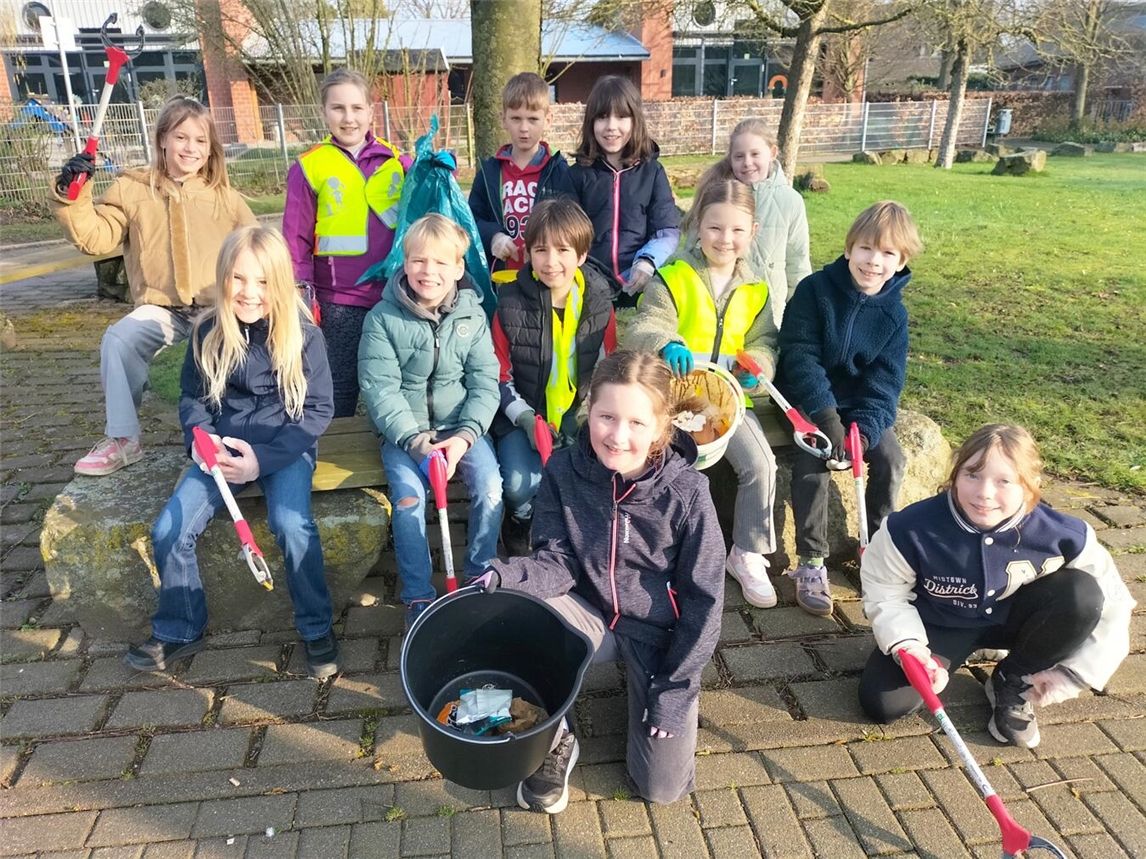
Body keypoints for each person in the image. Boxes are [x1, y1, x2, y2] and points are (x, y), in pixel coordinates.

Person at [480, 350, 725, 812]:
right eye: (606, 416)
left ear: (661, 427)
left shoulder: (689, 494)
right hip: (587, 609)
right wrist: (506, 574)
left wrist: (673, 693)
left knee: (660, 789)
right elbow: (556, 562)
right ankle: (556, 734)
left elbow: (705, 603)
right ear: (588, 409)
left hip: (655, 631)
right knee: (527, 613)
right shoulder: (563, 470)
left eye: (636, 422)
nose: (616, 436)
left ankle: (655, 692)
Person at [125, 226, 341, 679]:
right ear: (223, 277)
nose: (249, 292)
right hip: (219, 451)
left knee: (292, 525)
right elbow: (192, 398)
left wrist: (263, 461)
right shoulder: (207, 331)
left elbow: (318, 410)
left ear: (280, 282)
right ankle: (181, 627)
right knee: (169, 529)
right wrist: (201, 440)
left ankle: (316, 626)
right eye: (239, 279)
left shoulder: (303, 335)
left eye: (262, 281)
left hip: (282, 448)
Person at [858, 424, 1134, 748]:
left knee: (1083, 593)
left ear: (1030, 484)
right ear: (956, 474)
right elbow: (885, 592)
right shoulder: (908, 528)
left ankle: (1012, 679)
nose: (984, 493)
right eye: (972, 475)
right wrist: (910, 648)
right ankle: (954, 651)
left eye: (1004, 481)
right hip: (941, 623)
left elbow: (1114, 604)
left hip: (1017, 621)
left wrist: (1077, 673)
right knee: (883, 704)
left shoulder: (1067, 533)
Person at [52, 95, 257, 476]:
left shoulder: (225, 199)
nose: (190, 148)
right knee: (119, 340)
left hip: (219, 309)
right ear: (162, 138)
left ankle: (243, 433)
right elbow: (95, 238)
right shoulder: (132, 189)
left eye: (200, 140)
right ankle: (123, 439)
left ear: (210, 148)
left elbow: (257, 250)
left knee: (242, 361)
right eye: (181, 137)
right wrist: (73, 195)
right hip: (162, 309)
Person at [626, 178, 781, 609]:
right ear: (697, 224)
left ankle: (747, 552)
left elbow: (765, 340)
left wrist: (758, 366)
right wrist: (665, 342)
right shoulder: (673, 276)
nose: (724, 240)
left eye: (736, 231)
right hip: (671, 402)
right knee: (663, 471)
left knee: (761, 465)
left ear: (752, 232)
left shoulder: (756, 288)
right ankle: (655, 553)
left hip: (729, 403)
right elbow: (643, 325)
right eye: (715, 228)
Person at [777, 201, 923, 617]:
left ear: (901, 261)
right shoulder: (814, 290)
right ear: (848, 249)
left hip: (858, 407)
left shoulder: (894, 315)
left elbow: (885, 382)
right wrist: (826, 418)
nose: (873, 262)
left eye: (887, 254)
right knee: (812, 466)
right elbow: (800, 355)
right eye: (865, 249)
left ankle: (875, 553)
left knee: (891, 459)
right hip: (811, 399)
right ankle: (811, 562)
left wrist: (865, 429)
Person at [357, 214, 503, 628]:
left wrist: (464, 439)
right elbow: (380, 390)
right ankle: (419, 594)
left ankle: (478, 572)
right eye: (419, 261)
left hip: (461, 430)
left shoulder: (472, 317)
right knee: (408, 503)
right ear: (405, 263)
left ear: (459, 268)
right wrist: (416, 442)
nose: (429, 271)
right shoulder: (383, 319)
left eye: (441, 263)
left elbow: (485, 383)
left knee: (491, 488)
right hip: (406, 435)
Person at [491, 199, 617, 556]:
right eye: (540, 250)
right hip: (522, 415)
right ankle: (520, 516)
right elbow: (499, 373)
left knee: (589, 476)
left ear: (580, 255)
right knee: (519, 483)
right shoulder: (510, 302)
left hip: (580, 413)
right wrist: (526, 419)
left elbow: (607, 368)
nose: (550, 261)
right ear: (528, 252)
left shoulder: (598, 302)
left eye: (563, 250)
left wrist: (588, 411)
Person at [283, 68, 410, 418]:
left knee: (394, 382)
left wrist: (438, 167)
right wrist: (299, 289)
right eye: (338, 108)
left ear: (371, 111)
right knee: (339, 383)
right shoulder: (310, 167)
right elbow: (295, 236)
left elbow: (426, 203)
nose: (349, 117)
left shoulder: (399, 162)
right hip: (339, 299)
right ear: (324, 112)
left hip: (394, 296)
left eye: (357, 108)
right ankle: (331, 450)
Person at [569, 75, 680, 307]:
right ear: (591, 123)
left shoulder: (653, 172)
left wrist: (647, 261)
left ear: (635, 120)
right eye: (602, 117)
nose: (611, 126)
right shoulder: (576, 175)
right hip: (588, 285)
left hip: (641, 284)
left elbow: (667, 231)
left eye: (621, 117)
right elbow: (566, 235)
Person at [687, 119, 811, 327]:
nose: (747, 163)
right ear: (731, 159)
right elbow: (691, 249)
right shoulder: (716, 195)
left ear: (772, 153)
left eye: (755, 154)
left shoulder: (791, 201)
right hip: (718, 308)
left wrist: (800, 313)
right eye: (739, 156)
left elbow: (797, 262)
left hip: (769, 314)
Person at [468, 72, 574, 277]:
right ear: (504, 120)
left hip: (546, 275)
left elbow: (570, 223)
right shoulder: (489, 173)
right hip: (501, 275)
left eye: (533, 119)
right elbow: (472, 219)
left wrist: (543, 244)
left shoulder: (559, 172)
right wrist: (494, 236)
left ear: (548, 120)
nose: (524, 128)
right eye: (516, 118)